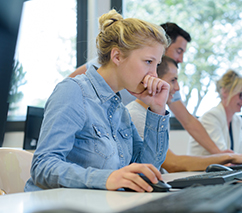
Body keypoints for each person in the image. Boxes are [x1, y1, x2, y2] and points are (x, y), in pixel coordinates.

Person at [24, 9, 171, 193]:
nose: (154, 75)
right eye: (148, 62)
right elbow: (42, 166)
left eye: (156, 65)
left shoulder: (119, 109)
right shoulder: (73, 91)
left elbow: (146, 172)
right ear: (117, 56)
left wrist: (157, 109)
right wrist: (106, 178)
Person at [69, 22, 232, 155]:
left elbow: (188, 120)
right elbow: (71, 88)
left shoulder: (163, 81)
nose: (181, 59)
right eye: (179, 50)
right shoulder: (110, 64)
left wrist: (219, 153)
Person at [127, 56, 242, 173]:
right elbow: (172, 164)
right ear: (154, 79)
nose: (178, 87)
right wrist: (228, 157)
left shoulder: (155, 114)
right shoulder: (137, 115)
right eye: (173, 80)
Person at [188, 70, 242, 158]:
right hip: (201, 170)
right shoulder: (211, 117)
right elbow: (223, 154)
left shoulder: (237, 120)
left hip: (222, 170)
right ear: (225, 91)